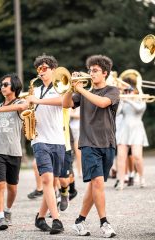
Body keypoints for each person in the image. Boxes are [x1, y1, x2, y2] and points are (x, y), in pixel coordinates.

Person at [63, 54, 120, 238]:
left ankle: (79, 221)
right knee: (97, 183)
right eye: (90, 70)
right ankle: (104, 223)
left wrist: (81, 89)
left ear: (105, 73)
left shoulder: (113, 90)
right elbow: (66, 104)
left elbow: (102, 103)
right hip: (88, 143)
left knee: (96, 185)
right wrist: (69, 87)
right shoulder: (82, 92)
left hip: (108, 143)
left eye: (95, 71)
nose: (91, 73)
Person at [27, 54, 65, 234]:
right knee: (47, 179)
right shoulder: (34, 90)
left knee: (52, 181)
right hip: (39, 139)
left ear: (53, 70)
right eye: (38, 69)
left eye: (44, 68)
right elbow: (28, 107)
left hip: (58, 139)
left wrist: (38, 101)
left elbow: (65, 102)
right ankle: (57, 220)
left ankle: (40, 217)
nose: (41, 72)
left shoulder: (61, 87)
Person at [0, 73, 28, 230]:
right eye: (1, 85)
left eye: (5, 84)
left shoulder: (20, 102)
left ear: (14, 86)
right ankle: (0, 217)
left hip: (14, 151)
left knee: (12, 187)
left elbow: (23, 107)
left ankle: (8, 211)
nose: (2, 87)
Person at [115, 79, 149, 190]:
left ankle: (141, 177)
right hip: (124, 129)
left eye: (129, 90)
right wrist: (121, 101)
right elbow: (117, 113)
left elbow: (140, 109)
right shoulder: (123, 100)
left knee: (137, 156)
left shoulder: (141, 100)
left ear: (135, 90)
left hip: (137, 129)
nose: (127, 92)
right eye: (126, 91)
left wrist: (128, 100)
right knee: (121, 157)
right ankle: (120, 181)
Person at [70, 107, 82, 177]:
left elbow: (81, 115)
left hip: (78, 129)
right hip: (71, 128)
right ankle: (77, 170)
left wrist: (70, 114)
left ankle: (80, 171)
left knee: (78, 151)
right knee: (73, 151)